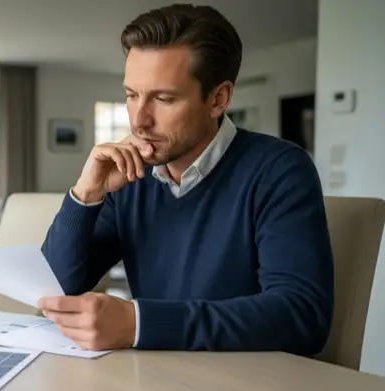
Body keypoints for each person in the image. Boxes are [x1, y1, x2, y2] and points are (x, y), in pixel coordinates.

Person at [38, 3, 334, 356]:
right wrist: (85, 195)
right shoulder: (131, 176)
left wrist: (138, 323)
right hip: (151, 380)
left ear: (218, 99)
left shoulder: (280, 170)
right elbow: (53, 292)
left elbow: (302, 317)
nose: (139, 121)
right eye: (132, 95)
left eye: (163, 98)